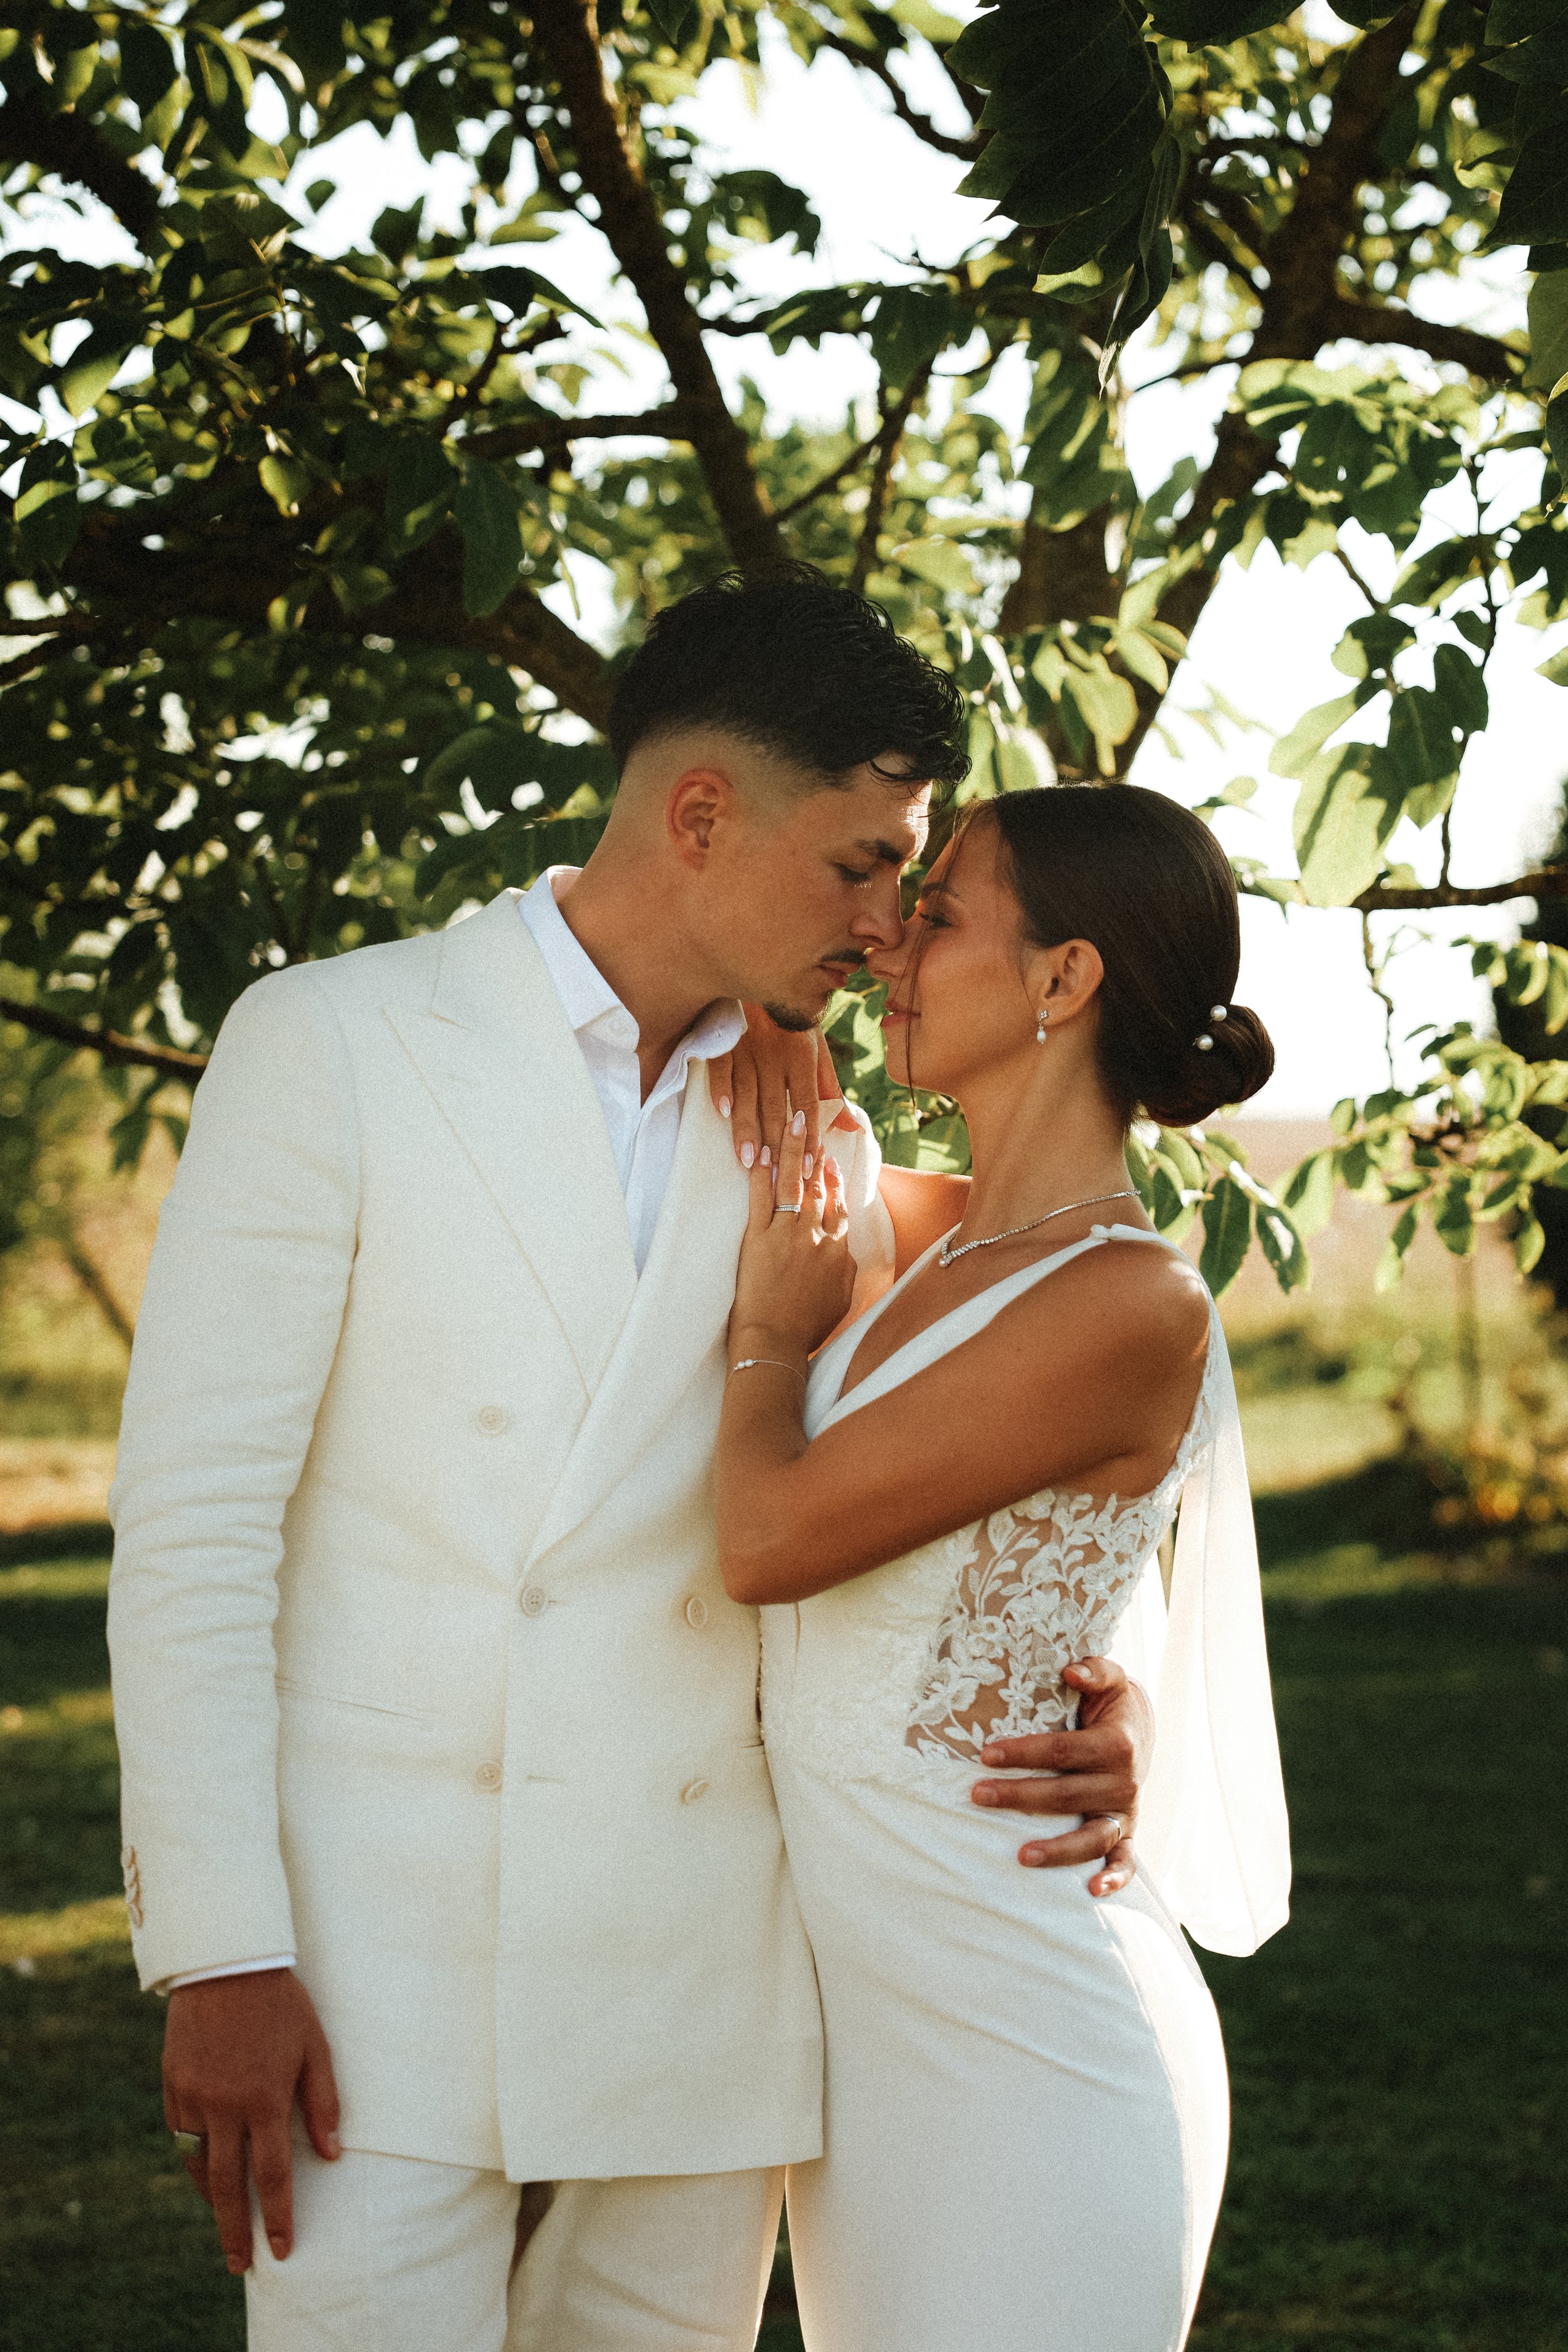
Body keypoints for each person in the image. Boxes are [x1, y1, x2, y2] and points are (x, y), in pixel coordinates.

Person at [107, 567, 1155, 2352]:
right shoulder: (337, 1041)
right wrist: (218, 1945)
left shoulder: (815, 1114)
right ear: (696, 815)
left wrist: (1076, 1678)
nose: (888, 921)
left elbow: (1009, 1398)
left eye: (905, 878)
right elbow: (194, 1529)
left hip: (701, 1970)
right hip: (378, 1963)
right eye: (858, 863)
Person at [716, 783, 1292, 2352]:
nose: (894, 946)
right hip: (867, 2067)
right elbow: (771, 1103)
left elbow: (765, 1541)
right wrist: (767, 1016)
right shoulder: (935, 1240)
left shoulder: (1132, 1307)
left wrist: (771, 1338)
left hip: (1035, 2043)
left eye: (943, 910)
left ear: (1062, 979)